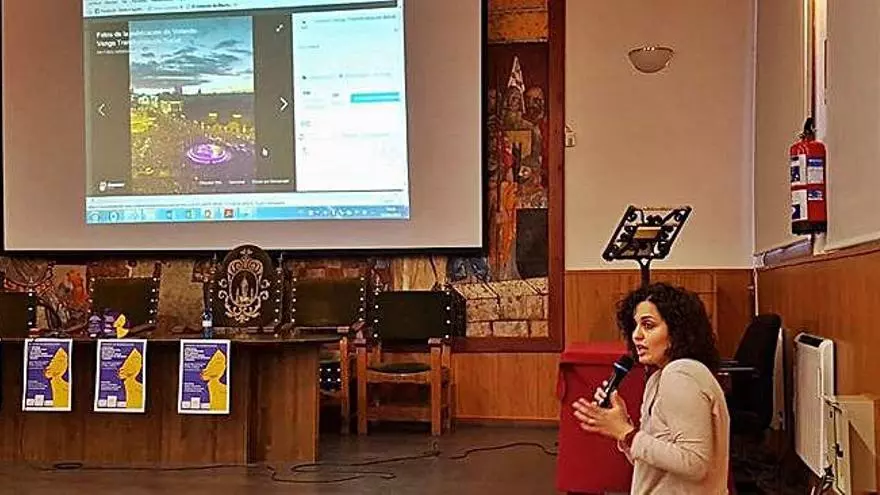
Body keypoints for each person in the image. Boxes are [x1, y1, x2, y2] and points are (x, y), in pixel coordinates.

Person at [572, 283, 730, 494]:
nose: (636, 335)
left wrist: (626, 432)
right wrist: (622, 427)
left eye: (648, 325)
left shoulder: (681, 374)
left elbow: (696, 463)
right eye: (635, 326)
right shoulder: (658, 378)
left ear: (676, 331)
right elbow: (651, 464)